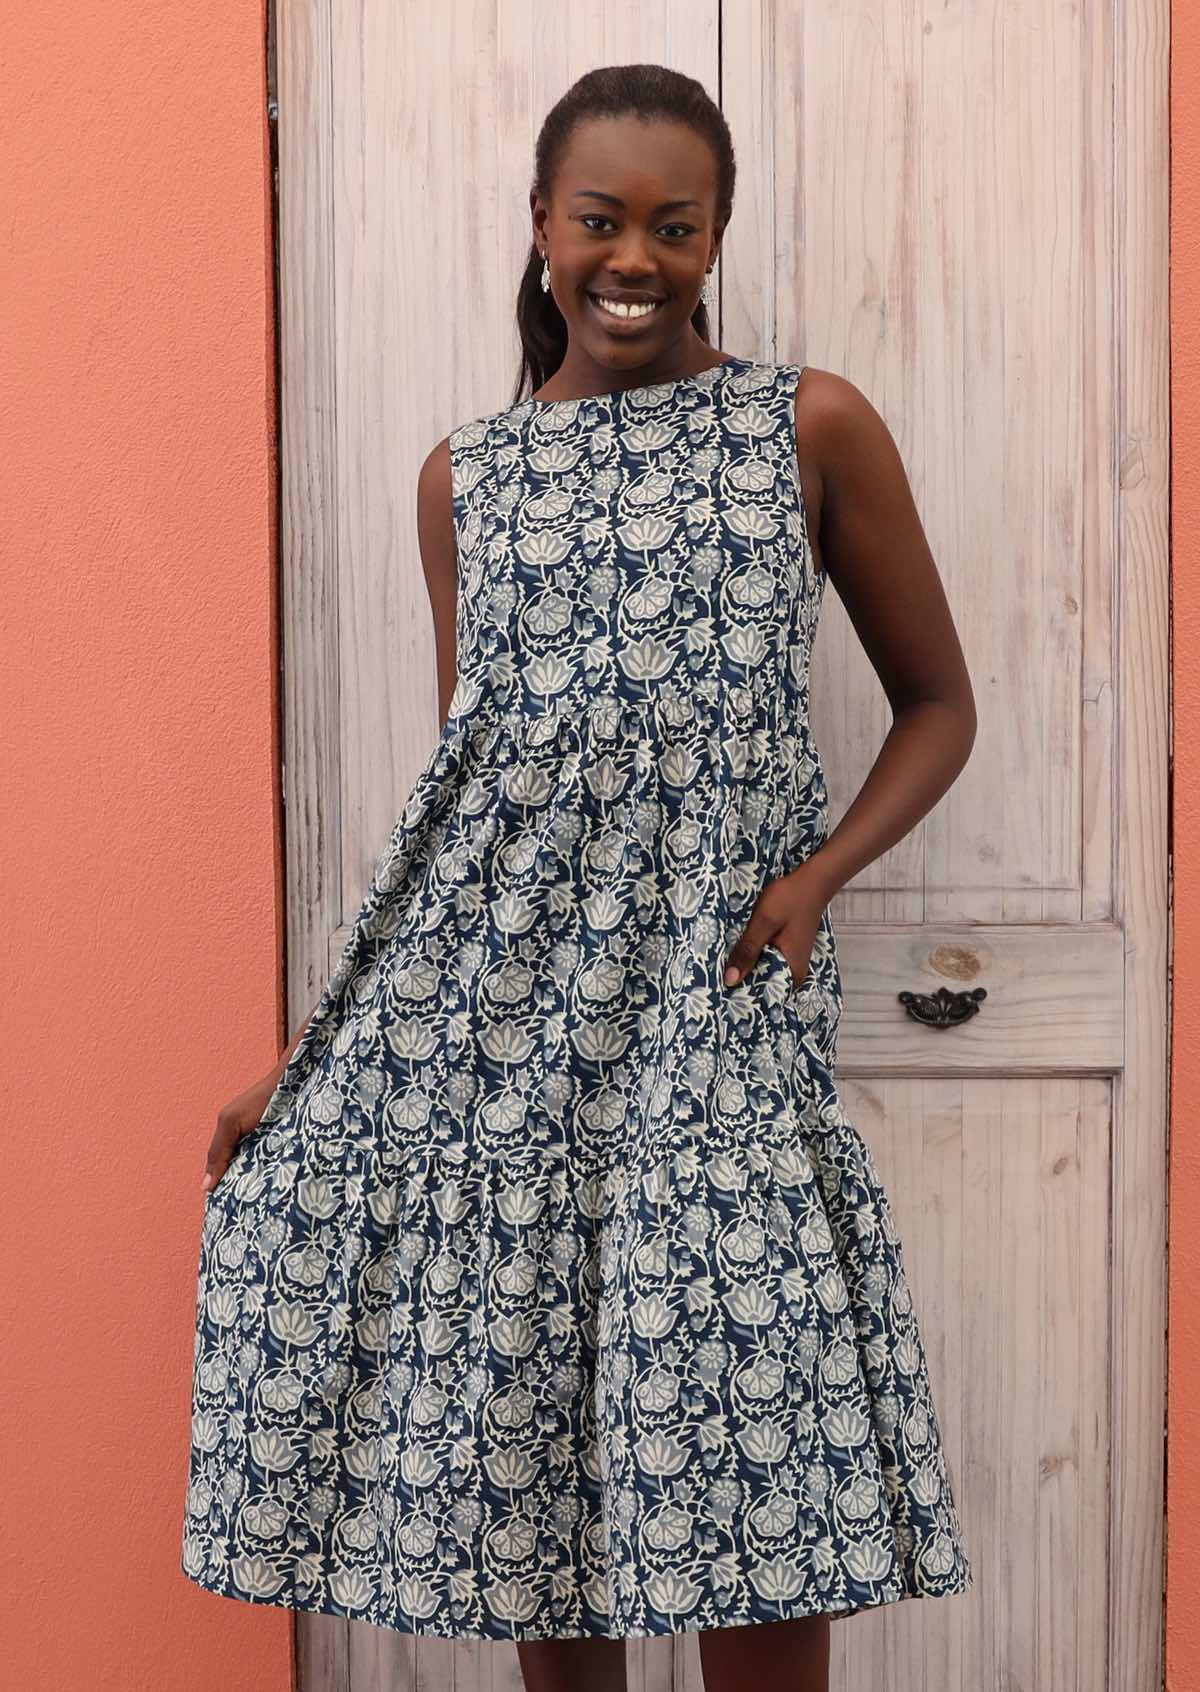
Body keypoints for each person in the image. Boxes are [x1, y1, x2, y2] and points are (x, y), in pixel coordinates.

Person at [184, 63, 976, 1692]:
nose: (635, 258)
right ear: (542, 227)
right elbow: (473, 814)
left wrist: (817, 877)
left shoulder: (804, 427)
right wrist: (325, 1067)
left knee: (754, 1479)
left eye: (673, 228)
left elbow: (939, 705)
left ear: (715, 236)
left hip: (720, 1009)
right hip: (514, 1044)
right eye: (599, 221)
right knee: (542, 1484)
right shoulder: (466, 480)